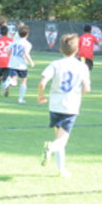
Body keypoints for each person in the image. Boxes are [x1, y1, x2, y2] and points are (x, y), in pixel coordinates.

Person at [38, 33, 90, 177]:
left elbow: (42, 82)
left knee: (59, 137)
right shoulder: (82, 66)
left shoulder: (55, 64)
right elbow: (87, 88)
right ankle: (51, 147)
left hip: (55, 106)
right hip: (70, 106)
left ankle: (61, 169)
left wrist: (40, 96)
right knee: (61, 141)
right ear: (77, 50)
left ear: (60, 49)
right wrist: (80, 92)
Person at [2, 25, 35, 104]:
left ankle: (9, 81)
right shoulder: (27, 44)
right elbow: (26, 54)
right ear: (27, 34)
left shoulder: (14, 42)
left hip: (12, 64)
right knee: (23, 81)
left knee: (14, 82)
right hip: (22, 66)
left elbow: (7, 50)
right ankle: (20, 99)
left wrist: (9, 53)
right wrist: (31, 62)